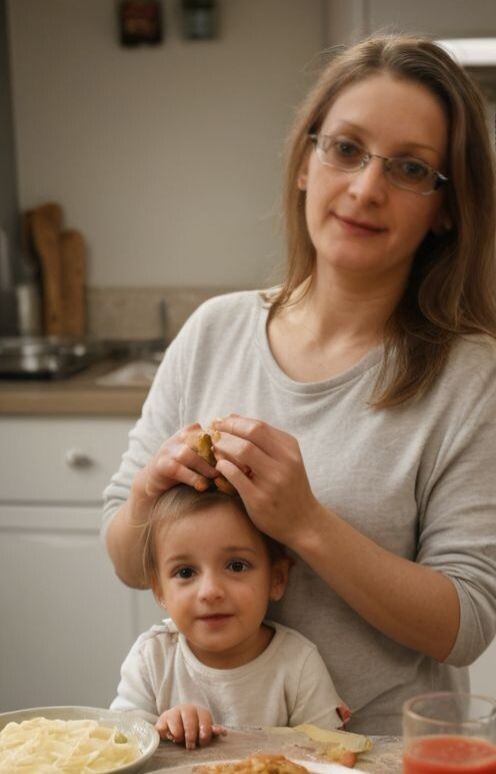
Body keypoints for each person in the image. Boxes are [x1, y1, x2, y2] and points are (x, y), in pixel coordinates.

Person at [102, 34, 496, 734]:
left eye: (410, 168)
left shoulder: (471, 376)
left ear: (446, 208)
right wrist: (145, 495)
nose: (365, 188)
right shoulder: (213, 330)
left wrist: (306, 523)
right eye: (346, 149)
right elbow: (132, 563)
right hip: (206, 757)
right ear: (305, 164)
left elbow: (464, 625)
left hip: (372, 755)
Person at [110, 484, 349, 748]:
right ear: (160, 591)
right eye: (186, 572)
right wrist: (162, 729)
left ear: (277, 579)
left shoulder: (298, 664)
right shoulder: (152, 658)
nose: (210, 591)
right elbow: (119, 744)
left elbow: (332, 752)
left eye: (236, 566)